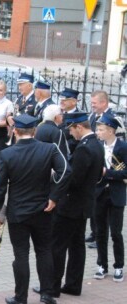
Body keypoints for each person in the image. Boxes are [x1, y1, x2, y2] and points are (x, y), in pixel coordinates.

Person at [0, 114, 70, 304]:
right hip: (43, 209)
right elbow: (66, 170)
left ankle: (21, 297)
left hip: (18, 212)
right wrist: (54, 196)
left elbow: (0, 187)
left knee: (21, 254)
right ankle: (47, 294)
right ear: (34, 131)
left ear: (15, 131)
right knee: (44, 251)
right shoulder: (49, 149)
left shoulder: (7, 154)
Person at [36, 112, 103, 297]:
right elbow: (97, 176)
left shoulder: (84, 148)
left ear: (79, 127)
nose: (71, 134)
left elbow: (73, 180)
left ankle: (52, 288)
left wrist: (55, 177)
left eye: (72, 130)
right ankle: (73, 285)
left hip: (70, 206)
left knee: (57, 246)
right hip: (84, 204)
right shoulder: (96, 144)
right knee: (77, 246)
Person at [93, 113, 127, 283]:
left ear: (111, 131)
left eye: (100, 130)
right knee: (100, 232)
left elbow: (126, 172)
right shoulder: (98, 147)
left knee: (116, 233)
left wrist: (108, 174)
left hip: (116, 194)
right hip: (99, 194)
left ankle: (119, 266)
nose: (97, 132)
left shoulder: (123, 147)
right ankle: (102, 264)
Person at [87, 90, 114, 248]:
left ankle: (100, 236)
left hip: (105, 162)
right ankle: (94, 232)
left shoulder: (111, 118)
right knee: (93, 200)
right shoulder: (92, 116)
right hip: (94, 160)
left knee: (102, 204)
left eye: (95, 103)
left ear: (103, 103)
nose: (92, 105)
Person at [58, 88, 81, 154]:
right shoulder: (58, 113)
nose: (61, 102)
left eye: (64, 100)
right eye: (60, 99)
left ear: (74, 102)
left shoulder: (78, 117)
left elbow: (76, 140)